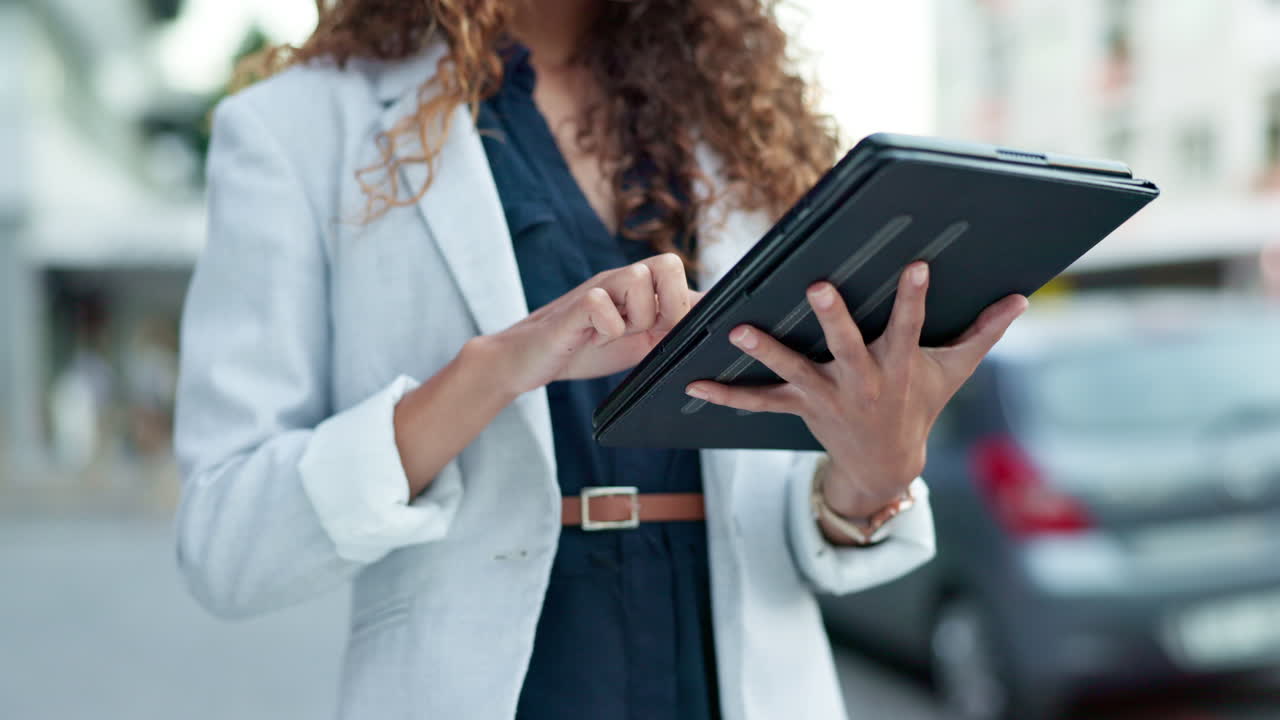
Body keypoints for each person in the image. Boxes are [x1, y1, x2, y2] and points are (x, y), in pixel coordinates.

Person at [173, 1, 1028, 718]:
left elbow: (790, 509)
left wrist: (873, 474)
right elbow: (227, 544)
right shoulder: (295, 129)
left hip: (730, 675)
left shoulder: (742, 127)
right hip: (502, 683)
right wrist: (486, 375)